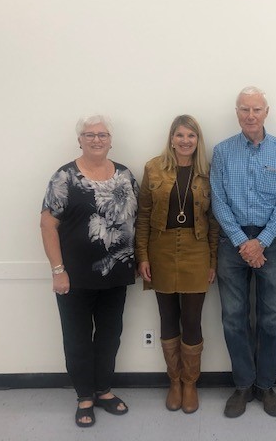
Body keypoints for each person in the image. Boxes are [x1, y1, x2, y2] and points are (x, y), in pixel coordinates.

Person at [40, 115, 139, 428]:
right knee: (78, 338)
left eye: (102, 134)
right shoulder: (64, 177)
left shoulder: (125, 175)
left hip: (117, 274)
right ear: (79, 140)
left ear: (111, 140)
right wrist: (58, 270)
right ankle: (84, 396)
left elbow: (139, 218)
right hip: (75, 277)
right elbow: (48, 224)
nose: (96, 139)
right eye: (89, 134)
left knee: (110, 336)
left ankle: (104, 390)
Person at [210, 86, 276, 418]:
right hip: (232, 242)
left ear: (266, 112)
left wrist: (261, 242)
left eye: (256, 109)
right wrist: (241, 241)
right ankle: (244, 385)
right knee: (234, 318)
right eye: (244, 109)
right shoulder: (222, 151)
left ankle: (266, 385)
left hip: (270, 241)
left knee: (272, 317)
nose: (250, 115)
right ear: (236, 112)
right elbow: (218, 199)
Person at [136, 115, 218, 414]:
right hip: (161, 249)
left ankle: (190, 382)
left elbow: (214, 221)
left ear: (198, 141)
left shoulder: (208, 173)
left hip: (197, 249)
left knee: (192, 320)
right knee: (167, 317)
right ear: (171, 138)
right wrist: (142, 255)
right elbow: (143, 216)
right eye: (180, 135)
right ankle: (174, 381)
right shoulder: (153, 168)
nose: (185, 141)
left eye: (191, 136)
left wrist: (213, 260)